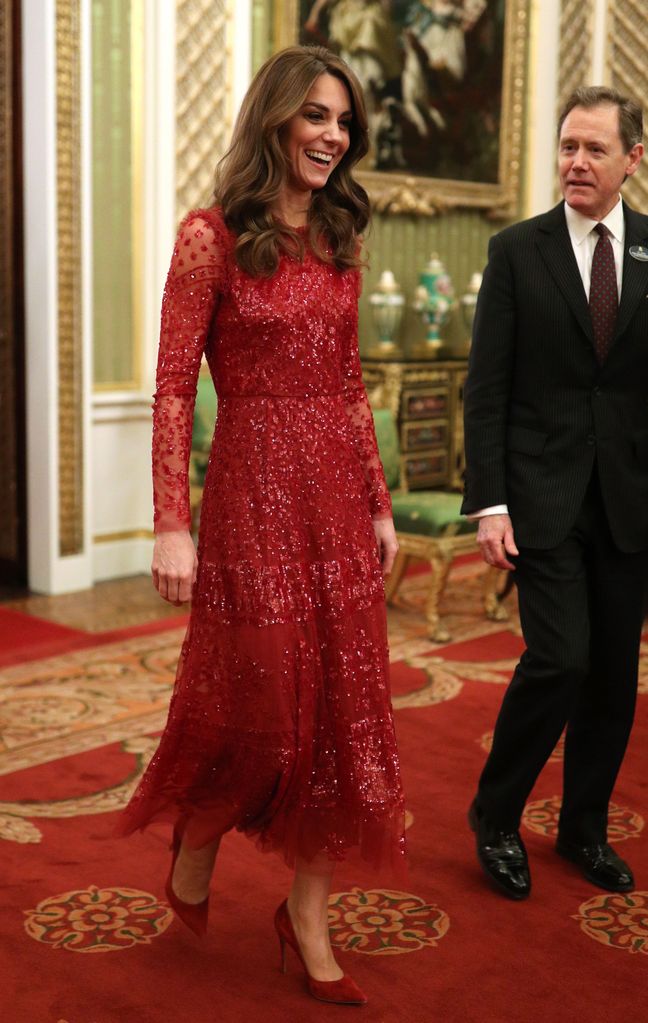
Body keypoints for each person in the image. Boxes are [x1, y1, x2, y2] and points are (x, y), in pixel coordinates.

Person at [117, 45, 406, 1005]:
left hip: (333, 494)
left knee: (342, 711)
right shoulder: (211, 235)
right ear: (276, 118)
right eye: (317, 116)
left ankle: (308, 911)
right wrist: (170, 522)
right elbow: (168, 389)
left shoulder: (340, 234)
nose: (334, 135)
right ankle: (196, 834)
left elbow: (352, 382)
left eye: (344, 121)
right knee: (260, 700)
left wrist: (377, 499)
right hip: (249, 494)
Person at [462, 86, 647, 900]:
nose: (575, 161)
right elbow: (485, 388)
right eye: (568, 145)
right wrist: (489, 502)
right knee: (560, 657)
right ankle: (496, 815)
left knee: (612, 674)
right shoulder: (517, 250)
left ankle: (582, 827)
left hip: (631, 502)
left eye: (595, 149)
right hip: (541, 494)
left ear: (632, 160)